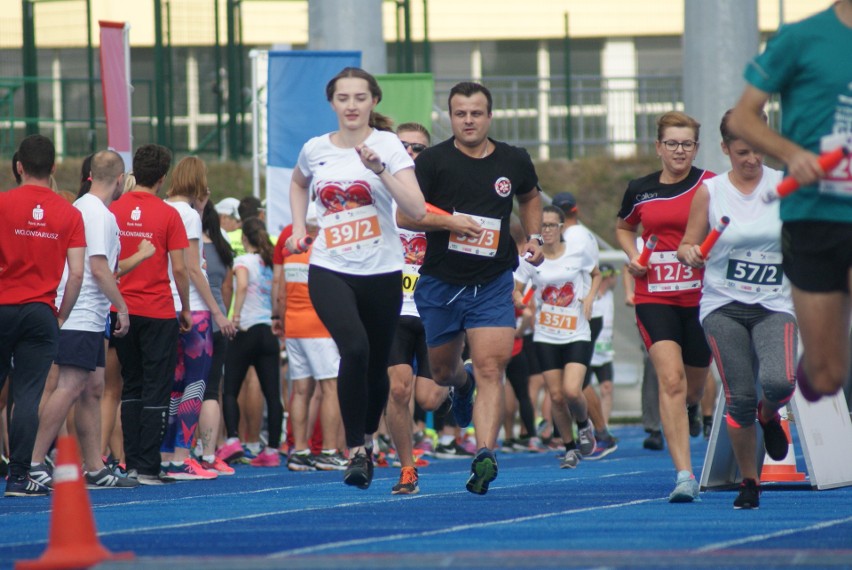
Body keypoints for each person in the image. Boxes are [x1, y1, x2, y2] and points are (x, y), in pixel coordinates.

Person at [397, 81, 543, 495]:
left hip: (493, 282)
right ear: (450, 117)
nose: (468, 120)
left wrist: (534, 239)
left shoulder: (514, 160)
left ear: (489, 116)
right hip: (441, 283)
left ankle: (484, 453)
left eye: (476, 113)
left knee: (491, 368)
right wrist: (450, 223)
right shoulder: (433, 162)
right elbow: (405, 216)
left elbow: (531, 197)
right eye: (460, 113)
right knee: (442, 372)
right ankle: (460, 385)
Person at [286, 67, 426, 490]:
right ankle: (357, 451)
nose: (351, 105)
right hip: (330, 267)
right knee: (354, 347)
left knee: (375, 364)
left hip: (382, 270)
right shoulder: (315, 149)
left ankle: (367, 436)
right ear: (332, 103)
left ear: (373, 102)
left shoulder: (387, 146)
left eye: (359, 98)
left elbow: (416, 209)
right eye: (343, 98)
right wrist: (297, 226)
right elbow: (297, 184)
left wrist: (381, 169)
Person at [730, 1, 852, 401]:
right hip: (813, 214)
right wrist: (792, 154)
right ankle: (815, 367)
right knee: (828, 375)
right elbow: (743, 118)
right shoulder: (801, 38)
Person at [678, 109, 797, 509]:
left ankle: (770, 414)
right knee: (739, 396)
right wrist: (691, 253)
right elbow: (686, 245)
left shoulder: (784, 186)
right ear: (726, 149)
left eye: (759, 151)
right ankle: (750, 481)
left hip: (772, 304)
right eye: (743, 152)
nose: (752, 160)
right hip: (722, 305)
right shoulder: (711, 192)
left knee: (780, 382)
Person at [615, 111, 714, 503]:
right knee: (669, 380)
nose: (679, 151)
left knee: (692, 386)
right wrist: (634, 254)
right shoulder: (639, 189)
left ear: (696, 148)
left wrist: (707, 252)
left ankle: (692, 407)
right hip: (654, 294)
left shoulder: (711, 185)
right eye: (671, 143)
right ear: (658, 147)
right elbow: (624, 228)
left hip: (702, 298)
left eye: (686, 144)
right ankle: (684, 475)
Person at [29, 150, 139, 490]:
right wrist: (121, 306)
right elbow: (98, 267)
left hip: (87, 313)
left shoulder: (85, 209)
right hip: (80, 312)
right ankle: (32, 462)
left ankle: (94, 466)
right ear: (119, 180)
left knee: (92, 388)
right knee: (70, 386)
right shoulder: (97, 215)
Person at [0, 135, 86, 497]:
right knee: (28, 396)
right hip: (41, 311)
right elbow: (78, 273)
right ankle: (19, 477)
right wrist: (60, 314)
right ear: (53, 168)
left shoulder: (2, 204)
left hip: (3, 305)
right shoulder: (70, 212)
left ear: (18, 166)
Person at [110, 143, 192, 486]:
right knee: (156, 388)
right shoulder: (169, 214)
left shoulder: (112, 209)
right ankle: (148, 467)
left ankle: (131, 464)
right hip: (158, 310)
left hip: (122, 308)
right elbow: (181, 270)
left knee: (131, 386)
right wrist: (186, 308)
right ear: (162, 178)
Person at [160, 157, 237, 480]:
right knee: (196, 386)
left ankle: (168, 456)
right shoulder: (189, 215)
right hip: (193, 310)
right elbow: (192, 267)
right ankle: (181, 457)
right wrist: (218, 312)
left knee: (174, 388)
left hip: (166, 306)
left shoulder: (163, 208)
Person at [385, 122, 451, 495]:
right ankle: (407, 468)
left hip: (434, 309)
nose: (411, 153)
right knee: (398, 390)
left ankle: (461, 379)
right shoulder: (381, 194)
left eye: (419, 148)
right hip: (394, 309)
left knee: (428, 398)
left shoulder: (443, 196)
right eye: (404, 146)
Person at [514, 205, 601, 469]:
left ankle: (584, 424)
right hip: (546, 334)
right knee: (556, 397)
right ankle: (569, 447)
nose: (547, 230)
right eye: (542, 226)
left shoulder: (577, 253)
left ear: (562, 228)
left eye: (552, 225)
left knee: (572, 391)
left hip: (576, 331)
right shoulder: (530, 259)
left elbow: (595, 274)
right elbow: (516, 289)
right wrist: (522, 303)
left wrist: (589, 297)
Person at [551, 191, 619, 459]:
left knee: (578, 380)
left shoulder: (573, 237)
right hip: (577, 313)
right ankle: (595, 433)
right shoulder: (582, 234)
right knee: (576, 379)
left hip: (582, 313)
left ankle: (602, 433)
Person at [220, 217, 283, 468]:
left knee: (230, 389)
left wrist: (234, 316)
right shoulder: (270, 262)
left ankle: (233, 439)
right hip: (268, 331)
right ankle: (273, 450)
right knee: (272, 394)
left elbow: (242, 285)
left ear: (244, 238)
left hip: (245, 329)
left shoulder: (242, 261)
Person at [197, 200, 236, 476]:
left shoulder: (188, 243)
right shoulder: (223, 248)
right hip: (219, 322)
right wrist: (223, 317)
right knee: (212, 390)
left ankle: (181, 453)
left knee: (186, 390)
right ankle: (209, 453)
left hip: (194, 320)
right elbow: (227, 289)